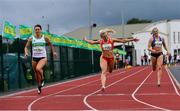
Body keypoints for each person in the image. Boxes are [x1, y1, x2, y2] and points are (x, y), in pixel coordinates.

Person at [24, 24, 57, 94]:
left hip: (43, 57)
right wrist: (26, 53)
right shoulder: (31, 38)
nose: (37, 31)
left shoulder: (45, 38)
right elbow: (26, 47)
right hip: (34, 58)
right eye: (36, 29)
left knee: (38, 69)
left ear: (41, 30)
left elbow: (51, 44)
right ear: (34, 30)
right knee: (36, 73)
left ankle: (42, 78)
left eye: (38, 29)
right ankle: (39, 87)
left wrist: (53, 52)